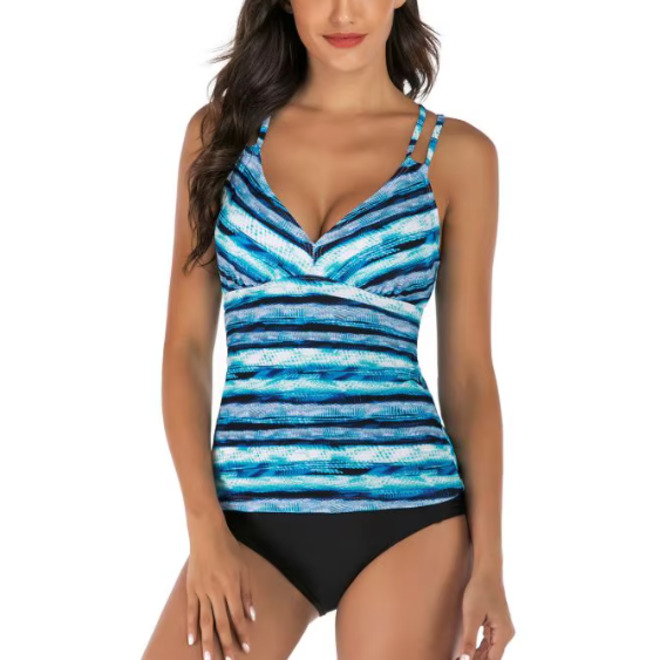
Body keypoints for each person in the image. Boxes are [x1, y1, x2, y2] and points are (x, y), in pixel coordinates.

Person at [142, 1, 515, 659]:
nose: (344, 12)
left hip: (409, 516)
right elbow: (186, 350)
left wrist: (489, 564)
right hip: (248, 521)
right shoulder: (222, 137)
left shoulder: (456, 156)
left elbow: (468, 379)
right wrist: (204, 531)